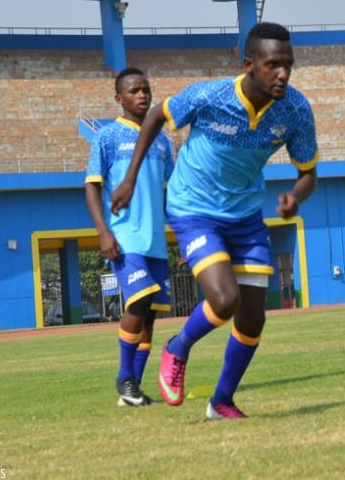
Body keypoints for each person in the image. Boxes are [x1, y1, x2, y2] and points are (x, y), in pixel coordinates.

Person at [111, 22, 319, 420]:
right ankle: (177, 347)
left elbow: (309, 171)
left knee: (253, 319)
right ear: (249, 65)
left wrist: (296, 195)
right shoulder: (211, 95)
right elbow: (156, 117)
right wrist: (130, 178)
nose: (283, 73)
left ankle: (221, 401)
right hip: (194, 208)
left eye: (288, 65)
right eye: (273, 64)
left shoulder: (295, 109)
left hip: (245, 216)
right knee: (224, 300)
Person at [85, 67, 175, 407]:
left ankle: (132, 390)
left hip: (154, 238)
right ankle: (124, 378)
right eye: (135, 90)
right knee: (138, 300)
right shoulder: (107, 137)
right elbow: (92, 187)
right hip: (124, 236)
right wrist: (103, 232)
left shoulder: (163, 142)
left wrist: (180, 236)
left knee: (150, 312)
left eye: (146, 89)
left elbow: (171, 193)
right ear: (119, 98)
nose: (143, 95)